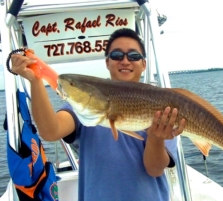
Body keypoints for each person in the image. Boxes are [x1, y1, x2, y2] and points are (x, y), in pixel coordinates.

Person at [11, 28, 185, 201]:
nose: (125, 61)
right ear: (107, 62)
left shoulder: (163, 107)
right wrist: (35, 81)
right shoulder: (84, 107)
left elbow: (154, 169)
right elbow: (50, 131)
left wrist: (156, 138)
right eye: (117, 55)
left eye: (133, 56)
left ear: (144, 64)